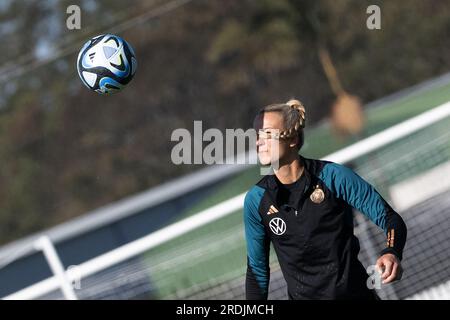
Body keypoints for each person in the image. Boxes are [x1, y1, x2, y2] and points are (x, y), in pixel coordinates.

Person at [244, 99, 407, 300]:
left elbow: (390, 219)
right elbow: (257, 271)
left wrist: (392, 251)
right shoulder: (257, 199)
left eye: (267, 134)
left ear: (292, 139)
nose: (259, 141)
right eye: (257, 135)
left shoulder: (333, 176)